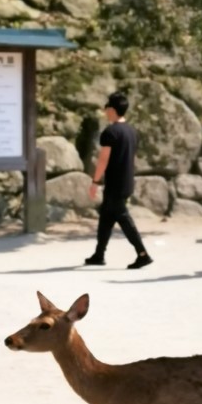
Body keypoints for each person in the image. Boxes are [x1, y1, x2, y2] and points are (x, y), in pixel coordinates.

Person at [84, 91, 153, 270]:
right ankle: (99, 254)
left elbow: (103, 159)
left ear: (113, 110)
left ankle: (142, 254)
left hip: (115, 183)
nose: (105, 111)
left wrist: (95, 182)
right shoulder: (132, 131)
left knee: (123, 217)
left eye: (107, 107)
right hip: (127, 181)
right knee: (106, 216)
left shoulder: (110, 132)